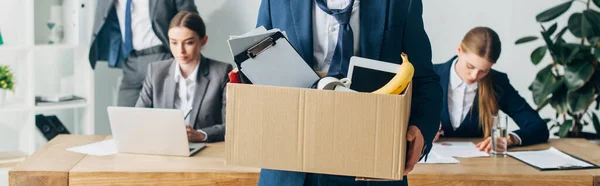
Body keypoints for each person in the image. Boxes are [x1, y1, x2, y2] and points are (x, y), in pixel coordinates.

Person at [256, 0, 442, 185]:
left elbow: (425, 80)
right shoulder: (275, 2)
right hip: (288, 169)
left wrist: (422, 129)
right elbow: (257, 69)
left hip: (372, 165)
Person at [433, 27, 549, 151]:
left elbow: (538, 127)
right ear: (459, 50)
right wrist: (420, 129)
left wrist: (510, 138)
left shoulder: (497, 83)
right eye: (470, 66)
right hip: (431, 163)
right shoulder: (430, 76)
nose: (474, 76)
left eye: (483, 71)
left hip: (478, 165)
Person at [135, 11, 232, 143]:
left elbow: (233, 125)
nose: (180, 50)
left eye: (188, 43)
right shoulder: (156, 71)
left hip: (206, 151)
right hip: (164, 146)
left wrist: (201, 134)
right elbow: (138, 118)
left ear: (203, 41)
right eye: (174, 43)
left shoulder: (221, 72)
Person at [89, 0, 198, 107]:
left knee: (162, 120)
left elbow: (190, 20)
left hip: (161, 58)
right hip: (130, 62)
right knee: (123, 119)